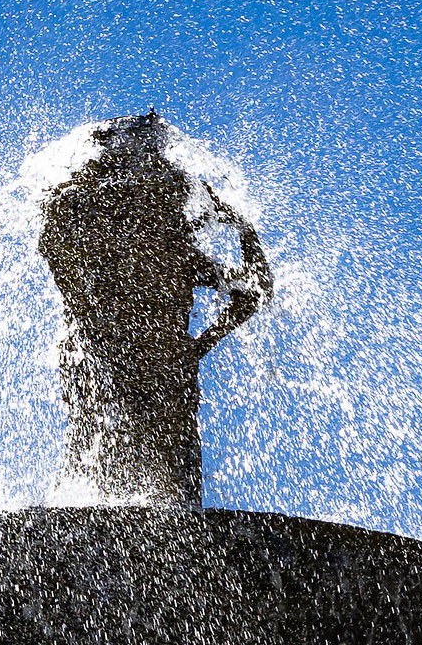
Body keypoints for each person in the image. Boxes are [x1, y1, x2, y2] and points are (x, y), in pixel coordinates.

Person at [38, 111, 273, 508]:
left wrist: (194, 349)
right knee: (160, 493)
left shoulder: (87, 220)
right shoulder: (171, 249)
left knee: (99, 474)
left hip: (116, 362)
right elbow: (257, 287)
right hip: (143, 365)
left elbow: (256, 288)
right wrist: (238, 223)